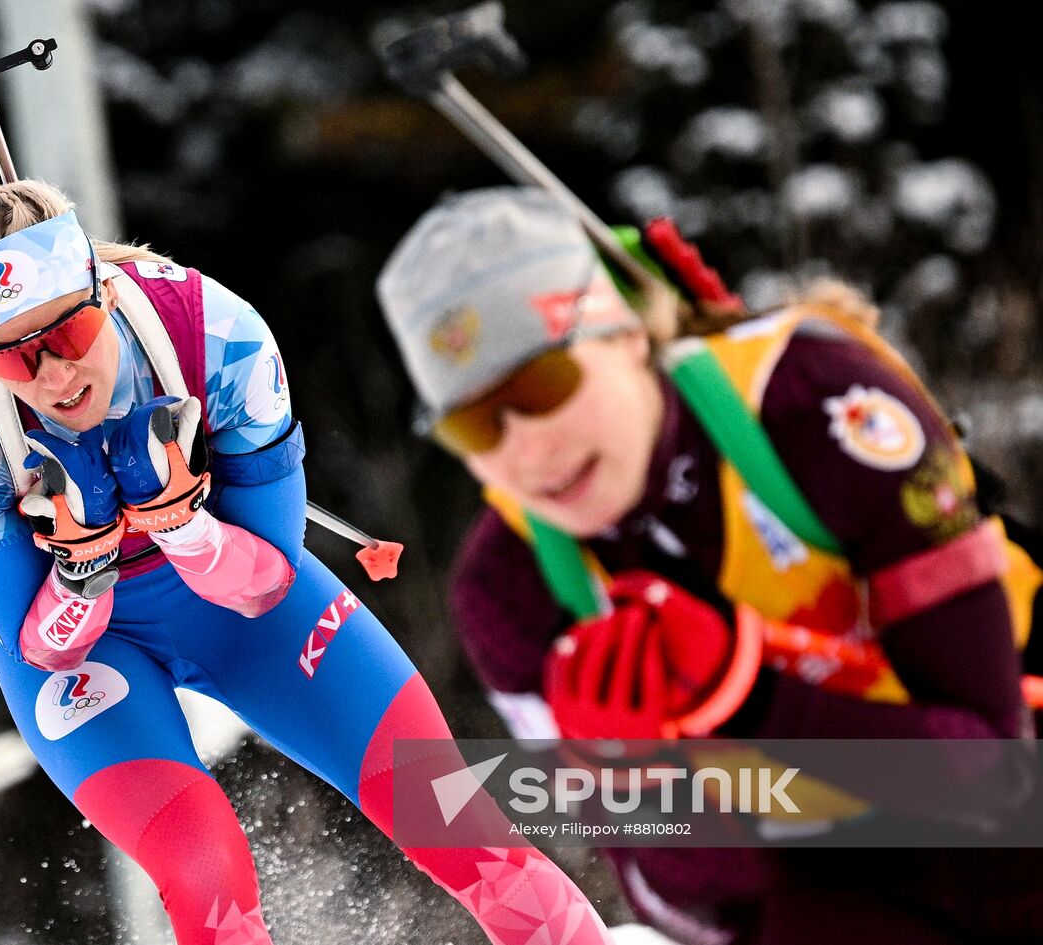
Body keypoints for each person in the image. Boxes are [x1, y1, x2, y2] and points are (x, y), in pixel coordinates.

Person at [0, 162, 614, 945]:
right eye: (12, 357)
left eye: (68, 333)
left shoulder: (215, 333)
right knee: (205, 872)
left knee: (448, 810)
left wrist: (182, 526)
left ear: (102, 289)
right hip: (88, 650)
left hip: (240, 600)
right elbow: (37, 641)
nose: (53, 374)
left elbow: (269, 575)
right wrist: (84, 564)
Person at [375, 186, 1043, 944]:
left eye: (542, 386)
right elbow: (699, 914)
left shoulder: (823, 409)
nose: (526, 451)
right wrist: (640, 785)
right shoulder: (513, 589)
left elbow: (999, 780)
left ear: (625, 333)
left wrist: (748, 695)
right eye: (474, 423)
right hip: (842, 876)